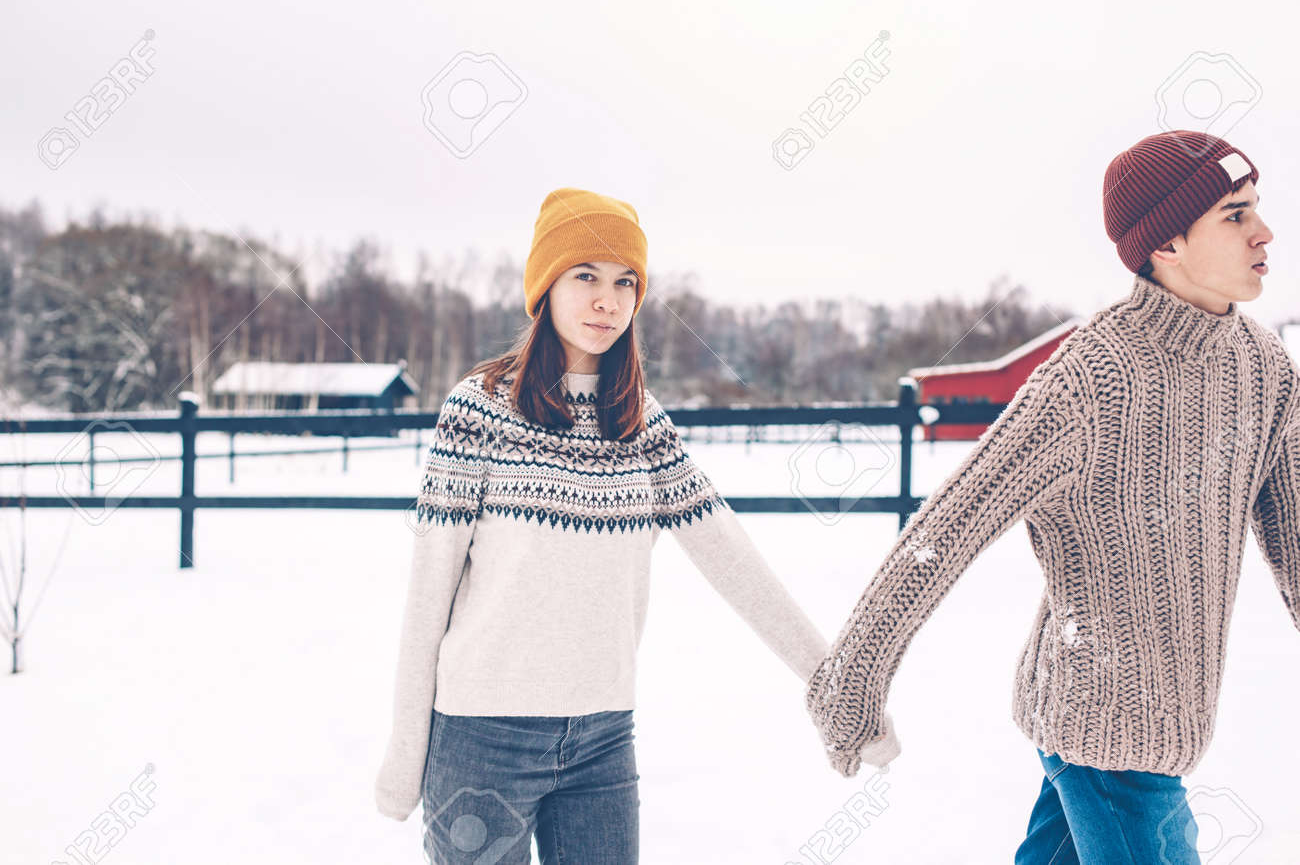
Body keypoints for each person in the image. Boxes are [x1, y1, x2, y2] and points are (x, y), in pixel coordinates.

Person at [803, 129, 1299, 864]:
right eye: (1234, 215)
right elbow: (947, 528)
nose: (1264, 231)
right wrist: (855, 671)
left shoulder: (1264, 366)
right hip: (1103, 726)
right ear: (1167, 244)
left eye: (1256, 207)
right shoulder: (1088, 381)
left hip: (1168, 721)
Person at [374, 187, 828, 863]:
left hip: (602, 741)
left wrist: (832, 678)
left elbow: (732, 557)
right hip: (480, 739)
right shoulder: (479, 411)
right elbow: (429, 587)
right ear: (545, 287)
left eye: (624, 283)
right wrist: (406, 748)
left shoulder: (641, 423)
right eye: (584, 275)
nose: (605, 301)